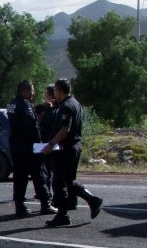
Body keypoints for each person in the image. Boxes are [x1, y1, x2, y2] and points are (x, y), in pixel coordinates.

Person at [41, 79, 103, 227]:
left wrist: (51, 144)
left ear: (60, 91)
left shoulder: (67, 106)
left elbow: (65, 129)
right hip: (74, 147)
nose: (54, 93)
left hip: (66, 148)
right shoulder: (76, 104)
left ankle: (62, 215)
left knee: (58, 182)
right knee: (70, 181)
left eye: (55, 90)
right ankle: (92, 200)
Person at [7, 80, 55, 217]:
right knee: (40, 174)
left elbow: (27, 113)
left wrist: (42, 107)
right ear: (25, 91)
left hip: (16, 146)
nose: (33, 93)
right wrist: (40, 145)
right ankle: (46, 204)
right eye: (32, 90)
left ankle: (19, 205)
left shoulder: (12, 103)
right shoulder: (25, 105)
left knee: (20, 177)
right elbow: (32, 126)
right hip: (30, 146)